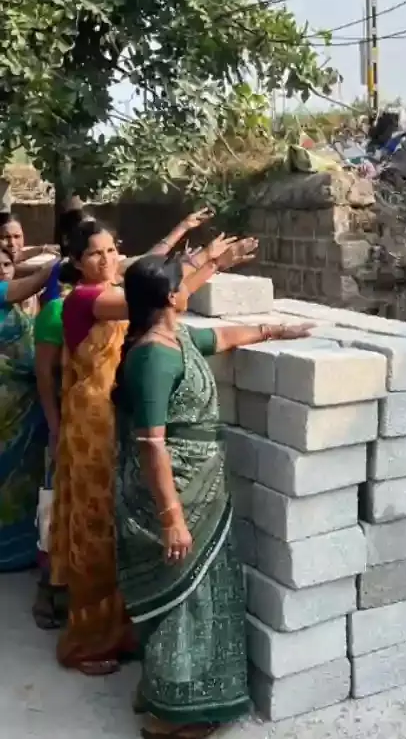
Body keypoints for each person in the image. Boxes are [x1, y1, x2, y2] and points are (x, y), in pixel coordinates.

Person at [114, 255, 314, 738]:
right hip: (176, 495)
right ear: (168, 298)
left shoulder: (174, 338)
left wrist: (275, 331)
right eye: (183, 284)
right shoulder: (153, 357)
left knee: (201, 591)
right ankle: (168, 716)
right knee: (182, 599)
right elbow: (151, 443)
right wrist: (172, 517)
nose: (190, 289)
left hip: (202, 486)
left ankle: (164, 693)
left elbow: (221, 338)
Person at [51, 219, 252, 676]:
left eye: (110, 250)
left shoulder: (119, 288)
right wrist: (209, 263)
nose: (105, 260)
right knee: (95, 529)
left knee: (120, 525)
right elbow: (161, 300)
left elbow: (163, 295)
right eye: (94, 254)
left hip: (119, 418)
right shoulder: (89, 299)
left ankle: (120, 630)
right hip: (93, 425)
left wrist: (203, 259)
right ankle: (84, 642)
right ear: (77, 263)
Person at [31, 205, 91, 629]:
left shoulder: (102, 305)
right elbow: (44, 377)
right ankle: (49, 597)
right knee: (56, 510)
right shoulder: (58, 312)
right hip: (65, 423)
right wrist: (54, 426)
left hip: (93, 425)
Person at [0, 252, 68, 571]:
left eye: (5, 264)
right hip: (5, 409)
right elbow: (27, 284)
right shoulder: (13, 293)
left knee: (25, 478)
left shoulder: (16, 309)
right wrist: (58, 264)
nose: (2, 270)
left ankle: (23, 549)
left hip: (27, 405)